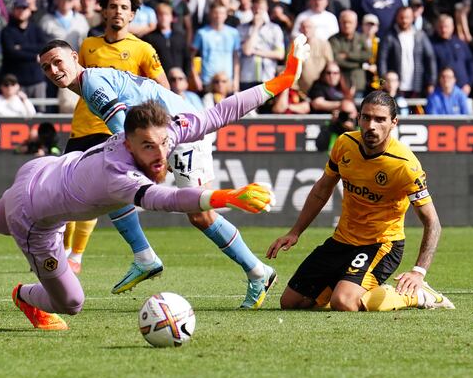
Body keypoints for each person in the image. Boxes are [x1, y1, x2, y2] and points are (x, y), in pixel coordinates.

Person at [0, 55, 309, 330]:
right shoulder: (119, 175)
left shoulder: (165, 131)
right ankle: (25, 296)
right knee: (73, 301)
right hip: (35, 215)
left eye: (162, 145)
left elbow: (220, 111)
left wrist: (283, 79)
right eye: (146, 148)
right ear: (129, 141)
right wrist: (224, 197)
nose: (158, 155)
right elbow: (165, 200)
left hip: (41, 170)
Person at [38, 39, 309, 307]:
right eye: (46, 67)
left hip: (180, 136)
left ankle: (258, 272)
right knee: (117, 189)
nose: (53, 70)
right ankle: (145, 257)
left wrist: (145, 158)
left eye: (57, 61)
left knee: (200, 215)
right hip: (167, 134)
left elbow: (123, 131)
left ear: (75, 57)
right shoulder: (92, 83)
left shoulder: (93, 84)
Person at [266, 91, 455, 313]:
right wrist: (295, 232)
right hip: (342, 240)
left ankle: (417, 295)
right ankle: (349, 286)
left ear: (394, 123)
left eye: (380, 119)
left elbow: (432, 222)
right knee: (290, 303)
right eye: (366, 118)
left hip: (382, 244)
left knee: (343, 302)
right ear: (358, 119)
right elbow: (321, 190)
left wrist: (418, 272)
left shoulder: (405, 165)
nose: (371, 126)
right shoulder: (345, 144)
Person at [64, 0, 170, 276]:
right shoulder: (88, 46)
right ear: (104, 10)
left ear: (133, 14)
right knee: (65, 191)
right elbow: (76, 81)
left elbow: (163, 89)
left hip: (114, 132)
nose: (118, 12)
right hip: (81, 127)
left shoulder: (143, 49)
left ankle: (75, 255)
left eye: (124, 8)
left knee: (95, 194)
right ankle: (64, 252)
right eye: (113, 6)